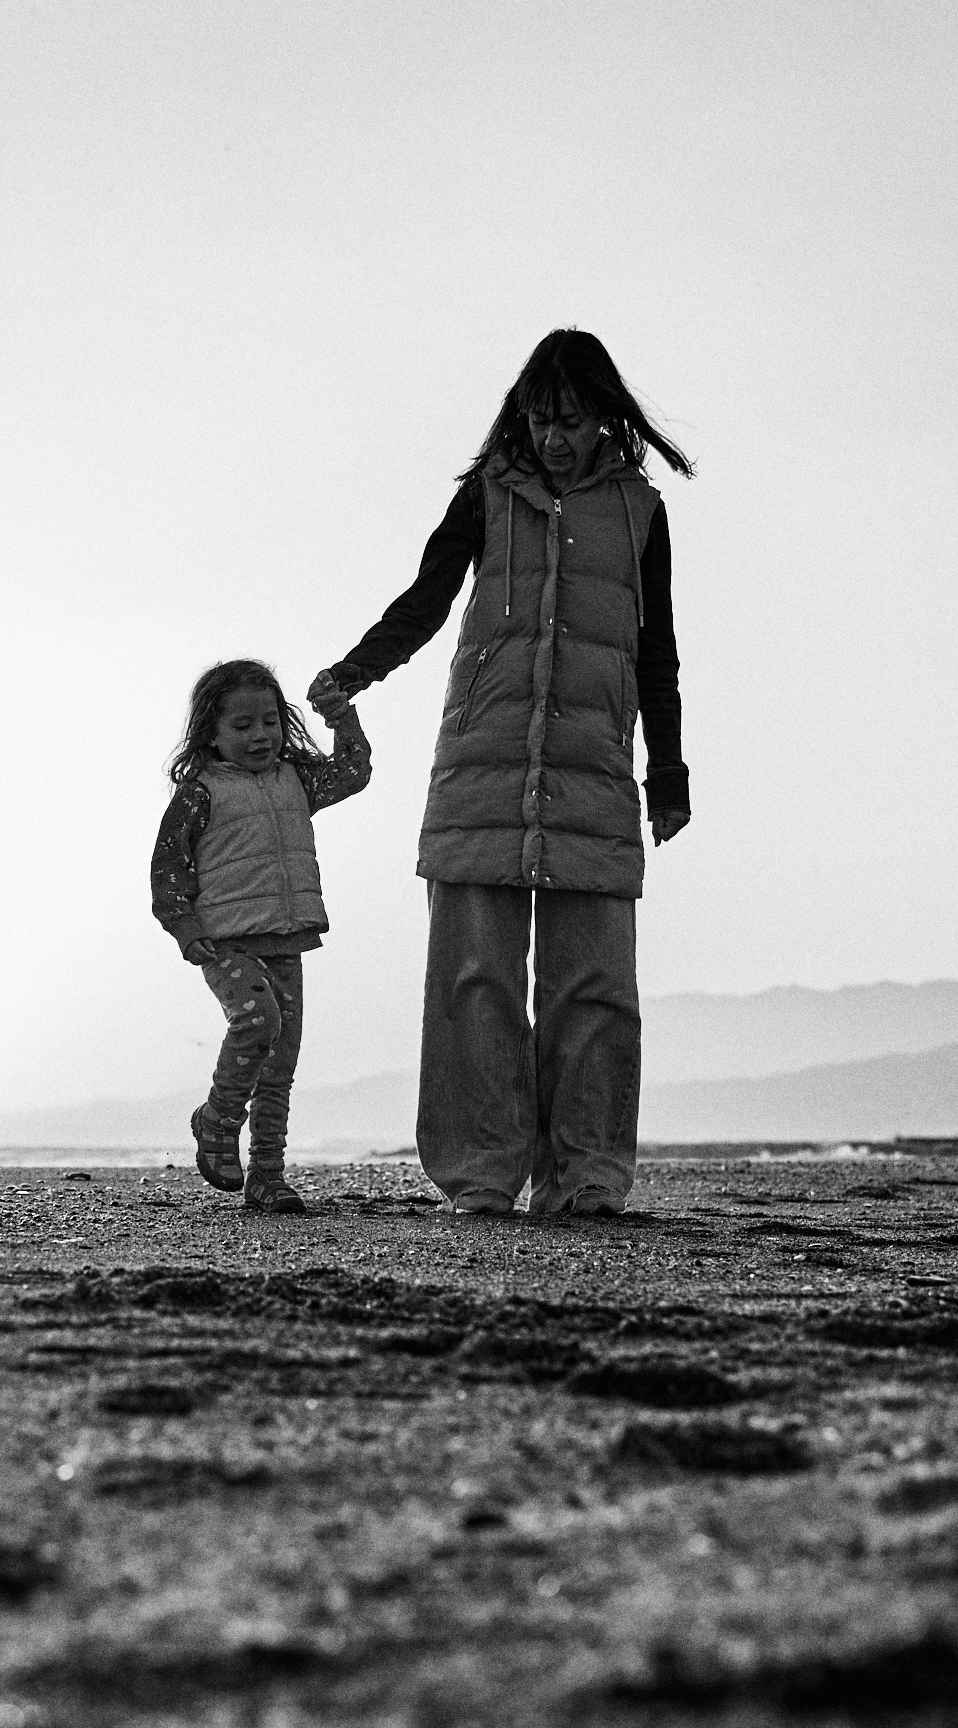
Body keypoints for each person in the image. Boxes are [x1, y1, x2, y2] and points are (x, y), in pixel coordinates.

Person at [310, 328, 691, 1220]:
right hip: (482, 765)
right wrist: (355, 671)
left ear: (607, 418)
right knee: (472, 979)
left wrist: (665, 770)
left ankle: (586, 1178)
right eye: (540, 417)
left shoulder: (639, 513)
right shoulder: (486, 495)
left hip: (592, 772)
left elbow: (657, 653)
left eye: (573, 419)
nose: (555, 436)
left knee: (592, 986)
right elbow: (425, 601)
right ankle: (480, 1175)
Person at [150, 660, 370, 1215]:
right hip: (225, 941)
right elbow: (168, 864)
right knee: (256, 1022)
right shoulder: (200, 793)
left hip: (286, 937)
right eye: (242, 725)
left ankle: (268, 1176)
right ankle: (217, 1120)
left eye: (269, 722)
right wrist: (183, 924)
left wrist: (342, 718)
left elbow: (352, 772)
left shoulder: (296, 779)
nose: (260, 736)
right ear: (212, 733)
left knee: (280, 1067)